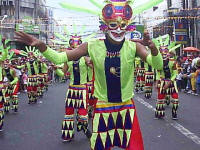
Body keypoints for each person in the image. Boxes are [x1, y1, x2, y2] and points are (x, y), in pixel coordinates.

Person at [15, 1, 163, 149]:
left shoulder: (133, 46)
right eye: (113, 25)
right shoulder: (92, 46)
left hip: (126, 107)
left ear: (128, 26)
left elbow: (157, 65)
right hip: (103, 107)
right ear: (104, 25)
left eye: (123, 25)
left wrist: (154, 50)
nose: (118, 30)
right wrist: (42, 46)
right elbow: (60, 58)